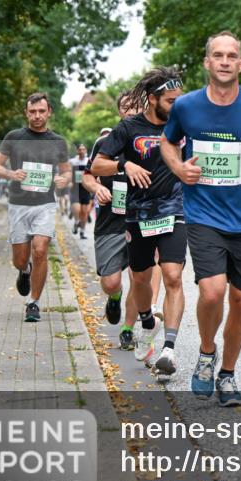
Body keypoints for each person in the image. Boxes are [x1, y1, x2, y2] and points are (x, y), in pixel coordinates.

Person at [161, 31, 241, 406]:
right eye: (217, 55)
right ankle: (207, 353)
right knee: (213, 291)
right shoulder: (186, 106)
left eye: (231, 55)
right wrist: (179, 169)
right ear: (207, 62)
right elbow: (167, 142)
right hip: (203, 214)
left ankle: (228, 373)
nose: (224, 61)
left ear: (240, 64)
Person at [93, 69, 187, 379]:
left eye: (179, 100)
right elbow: (97, 165)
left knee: (173, 275)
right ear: (152, 99)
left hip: (174, 209)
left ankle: (169, 349)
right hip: (138, 215)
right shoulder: (129, 128)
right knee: (141, 279)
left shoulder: (184, 124)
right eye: (170, 101)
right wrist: (125, 164)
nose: (176, 106)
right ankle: (147, 323)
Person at [0, 93, 71, 322]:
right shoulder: (14, 137)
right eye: (32, 111)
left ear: (49, 112)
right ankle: (24, 271)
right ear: (26, 113)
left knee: (40, 249)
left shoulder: (58, 141)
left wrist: (64, 179)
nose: (37, 116)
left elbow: (66, 171)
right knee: (20, 259)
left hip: (45, 204)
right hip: (18, 204)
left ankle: (33, 303)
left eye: (41, 111)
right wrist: (11, 174)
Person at [83, 91, 140, 348]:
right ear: (119, 111)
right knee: (111, 282)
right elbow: (87, 175)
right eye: (127, 106)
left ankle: (128, 329)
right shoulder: (105, 142)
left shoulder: (151, 141)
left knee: (140, 278)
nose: (132, 111)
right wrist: (97, 188)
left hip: (140, 220)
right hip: (110, 222)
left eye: (137, 106)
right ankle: (114, 297)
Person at [69, 144, 92, 239]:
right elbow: (68, 172)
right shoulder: (72, 161)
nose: (82, 151)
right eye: (80, 149)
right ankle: (76, 222)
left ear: (86, 151)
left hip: (85, 188)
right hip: (75, 188)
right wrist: (69, 181)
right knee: (77, 210)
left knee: (84, 212)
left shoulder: (89, 161)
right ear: (77, 151)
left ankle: (82, 231)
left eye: (83, 149)